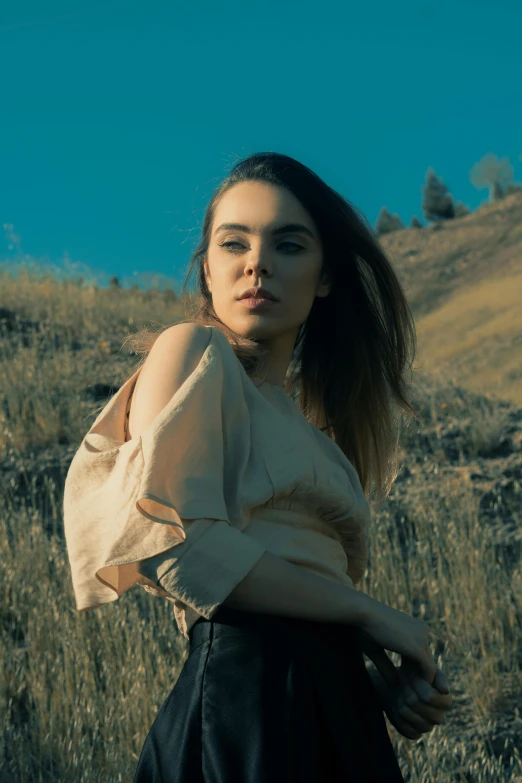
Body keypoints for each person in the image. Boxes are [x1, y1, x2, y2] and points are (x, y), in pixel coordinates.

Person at [63, 152, 452, 782]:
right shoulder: (193, 351)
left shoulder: (319, 439)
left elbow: (305, 582)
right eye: (233, 243)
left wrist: (380, 679)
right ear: (208, 273)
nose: (258, 263)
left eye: (290, 244)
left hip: (340, 712)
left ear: (325, 277)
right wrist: (372, 614)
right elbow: (178, 546)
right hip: (247, 704)